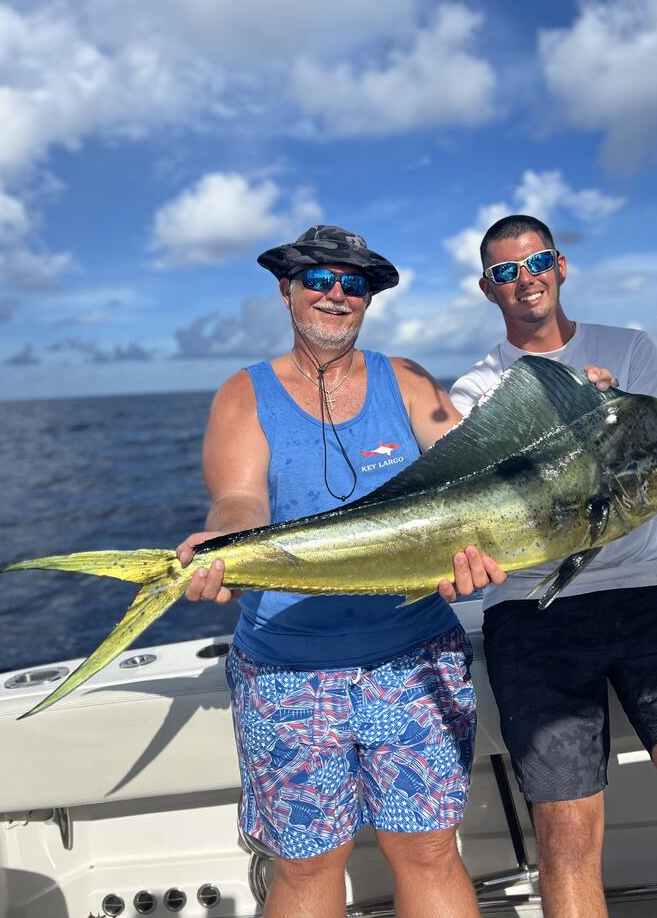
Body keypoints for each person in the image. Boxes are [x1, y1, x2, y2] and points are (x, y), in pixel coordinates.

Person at [175, 225, 508, 918]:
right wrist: (225, 548)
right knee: (306, 865)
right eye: (317, 280)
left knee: (429, 851)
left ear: (368, 299)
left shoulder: (409, 381)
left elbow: (473, 483)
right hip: (286, 671)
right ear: (287, 290)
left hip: (414, 659)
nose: (334, 295)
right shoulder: (244, 393)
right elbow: (241, 500)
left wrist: (480, 550)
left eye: (351, 284)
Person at [447, 213, 657, 918]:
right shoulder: (474, 390)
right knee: (568, 836)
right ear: (488, 289)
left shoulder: (629, 349)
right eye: (505, 272)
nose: (525, 280)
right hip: (531, 611)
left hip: (647, 599)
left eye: (536, 262)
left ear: (560, 266)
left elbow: (647, 464)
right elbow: (494, 508)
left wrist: (607, 412)